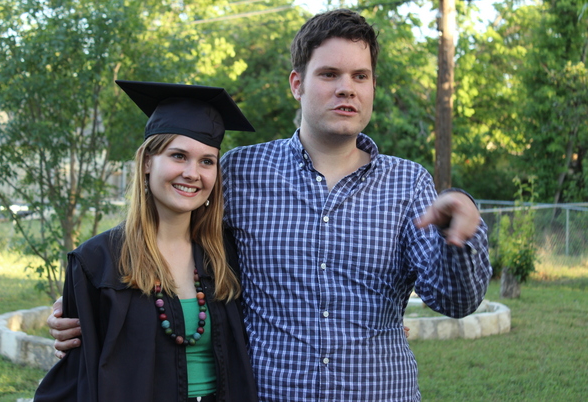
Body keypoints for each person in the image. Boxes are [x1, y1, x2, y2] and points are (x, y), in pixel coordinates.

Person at [48, 9, 492, 401]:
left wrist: (463, 237)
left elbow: (454, 301)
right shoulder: (240, 173)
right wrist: (89, 297)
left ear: (373, 86)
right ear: (297, 84)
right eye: (329, 74)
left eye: (361, 76)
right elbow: (168, 238)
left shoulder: (408, 184)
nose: (347, 88)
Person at [35, 80, 258, 402]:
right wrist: (69, 305)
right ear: (148, 162)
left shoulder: (228, 254)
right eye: (178, 156)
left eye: (207, 161)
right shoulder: (97, 262)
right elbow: (79, 375)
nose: (193, 173)